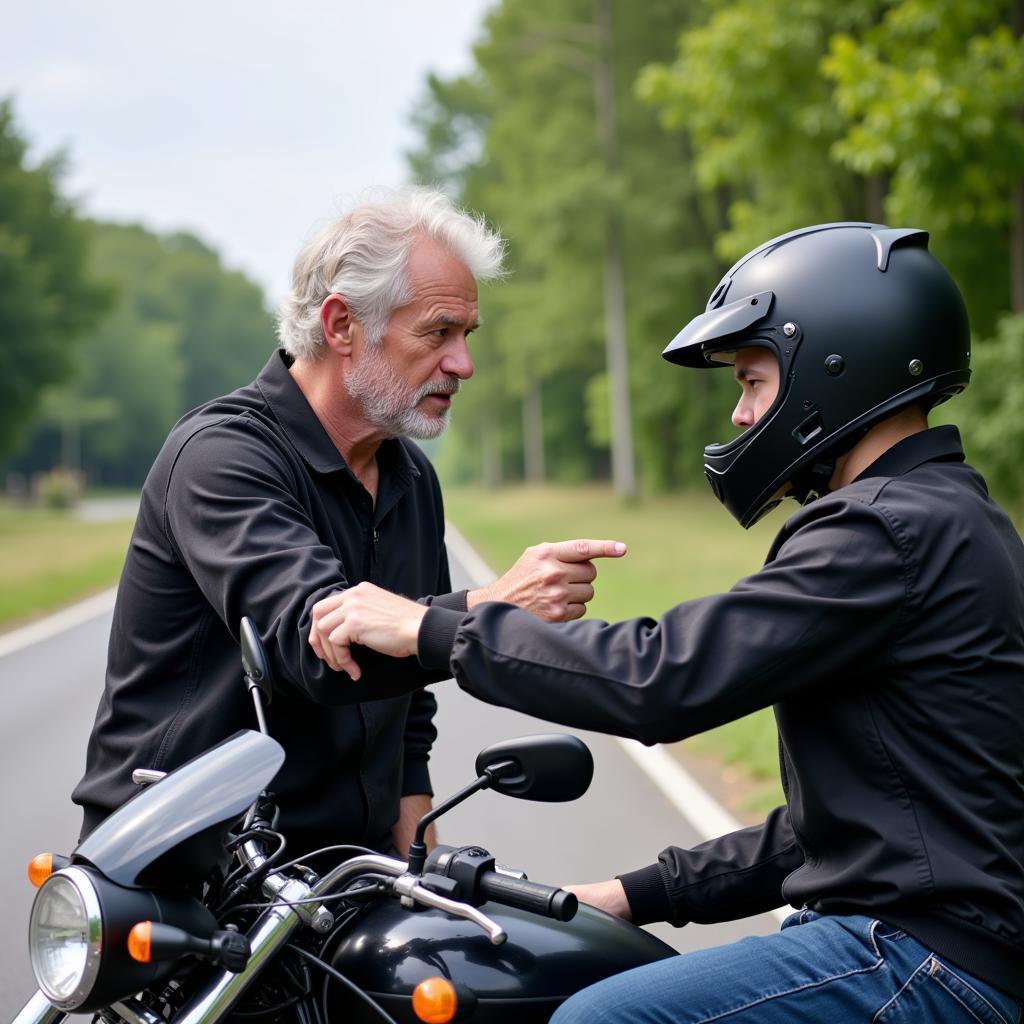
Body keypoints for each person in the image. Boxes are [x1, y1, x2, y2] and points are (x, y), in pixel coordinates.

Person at [306, 222, 1024, 1021]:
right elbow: (862, 825)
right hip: (930, 946)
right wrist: (627, 896)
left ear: (836, 367)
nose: (745, 416)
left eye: (753, 381)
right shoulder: (949, 517)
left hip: (917, 957)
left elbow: (662, 677)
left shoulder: (886, 532)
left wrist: (428, 629)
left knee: (596, 1019)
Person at [72, 187, 625, 860]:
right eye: (438, 332)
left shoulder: (410, 477)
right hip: (177, 871)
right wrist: (494, 604)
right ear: (341, 326)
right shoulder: (222, 455)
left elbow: (409, 703)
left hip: (343, 873)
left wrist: (415, 859)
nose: (463, 364)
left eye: (466, 336)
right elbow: (314, 653)